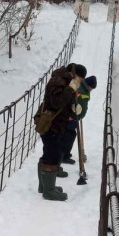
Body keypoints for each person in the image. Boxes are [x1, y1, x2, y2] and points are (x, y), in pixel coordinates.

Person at [37, 64, 79, 201]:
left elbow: (64, 102)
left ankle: (45, 186)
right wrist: (70, 90)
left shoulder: (63, 80)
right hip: (51, 125)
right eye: (80, 78)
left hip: (56, 125)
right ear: (74, 74)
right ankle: (48, 191)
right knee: (52, 155)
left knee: (51, 153)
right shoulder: (58, 81)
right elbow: (56, 102)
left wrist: (74, 106)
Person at [62, 74, 97, 166]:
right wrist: (75, 115)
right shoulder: (82, 90)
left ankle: (64, 155)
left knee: (69, 134)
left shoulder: (83, 87)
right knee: (69, 135)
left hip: (74, 116)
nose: (91, 90)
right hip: (72, 117)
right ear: (88, 85)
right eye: (91, 88)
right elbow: (77, 103)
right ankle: (63, 156)